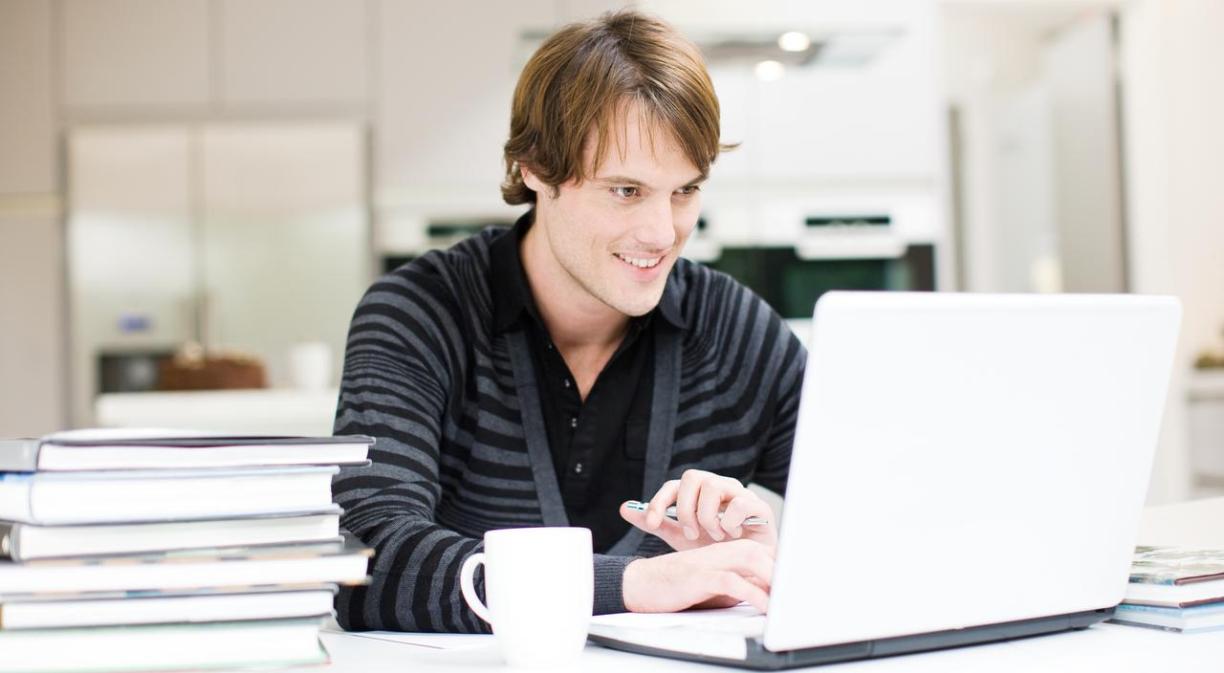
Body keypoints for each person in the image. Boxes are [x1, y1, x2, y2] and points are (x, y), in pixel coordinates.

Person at [332, 9, 805, 633]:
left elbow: (889, 521)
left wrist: (778, 548)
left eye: (685, 190)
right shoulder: (418, 316)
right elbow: (365, 565)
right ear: (534, 169)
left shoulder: (739, 333)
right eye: (626, 191)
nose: (663, 233)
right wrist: (633, 585)